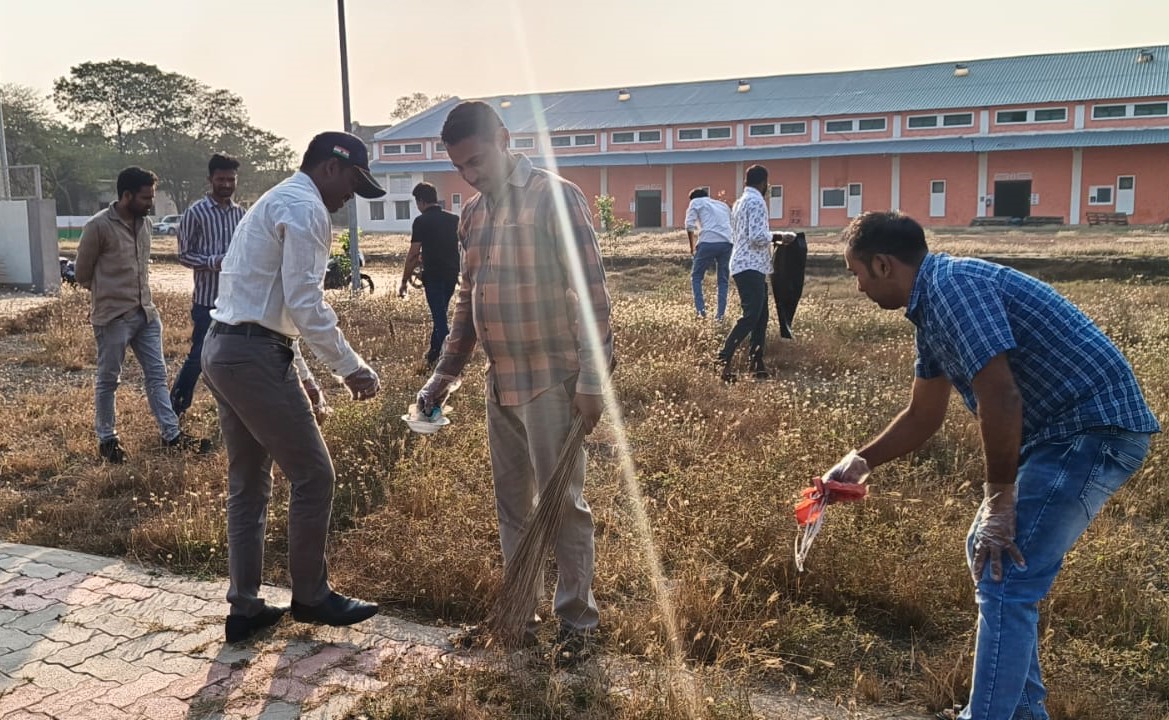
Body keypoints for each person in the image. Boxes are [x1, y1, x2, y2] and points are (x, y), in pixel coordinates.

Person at [825, 211, 1159, 720]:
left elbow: (1001, 398)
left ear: (882, 264)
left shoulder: (954, 288)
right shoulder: (931, 305)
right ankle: (1022, 712)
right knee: (989, 556)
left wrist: (1000, 500)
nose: (858, 288)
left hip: (1093, 429)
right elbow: (923, 414)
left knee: (1005, 574)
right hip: (1067, 434)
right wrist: (860, 461)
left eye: (857, 274)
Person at [413, 101, 613, 658]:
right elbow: (466, 299)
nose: (471, 175)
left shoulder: (557, 197)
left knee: (564, 506)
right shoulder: (472, 214)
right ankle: (517, 620)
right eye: (460, 168)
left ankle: (577, 625)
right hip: (499, 380)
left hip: (553, 378)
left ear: (504, 138)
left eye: (477, 161)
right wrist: (444, 375)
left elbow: (593, 296)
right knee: (513, 508)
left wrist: (593, 380)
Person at [201, 131, 386, 642]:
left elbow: (269, 302)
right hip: (254, 357)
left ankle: (245, 608)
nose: (352, 195)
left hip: (225, 349)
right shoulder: (307, 210)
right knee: (314, 477)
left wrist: (303, 375)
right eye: (353, 181)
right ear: (330, 167)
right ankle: (311, 596)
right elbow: (304, 303)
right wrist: (349, 367)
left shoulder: (275, 199)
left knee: (249, 484)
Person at [74, 166, 210, 464]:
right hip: (113, 317)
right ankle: (107, 440)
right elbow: (82, 273)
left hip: (146, 314)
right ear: (126, 196)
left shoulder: (144, 224)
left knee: (157, 376)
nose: (151, 203)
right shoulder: (98, 227)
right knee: (109, 379)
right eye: (146, 197)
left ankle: (171, 435)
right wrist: (109, 296)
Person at [170, 152, 246, 414]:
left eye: (231, 179)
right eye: (221, 179)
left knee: (237, 359)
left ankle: (235, 411)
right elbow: (183, 255)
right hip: (207, 300)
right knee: (199, 358)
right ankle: (175, 410)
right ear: (210, 180)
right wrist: (215, 261)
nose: (226, 184)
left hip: (237, 302)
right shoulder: (196, 212)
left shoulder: (242, 214)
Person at [716, 165, 772, 381]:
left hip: (743, 263)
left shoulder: (739, 202)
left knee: (760, 317)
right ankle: (722, 357)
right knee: (751, 317)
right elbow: (757, 236)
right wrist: (778, 237)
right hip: (751, 264)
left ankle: (757, 364)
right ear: (764, 182)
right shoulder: (757, 201)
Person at [398, 181, 461, 369]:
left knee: (439, 317)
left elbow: (413, 254)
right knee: (440, 313)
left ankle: (450, 359)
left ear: (421, 201)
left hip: (433, 276)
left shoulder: (421, 221)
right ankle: (433, 356)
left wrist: (404, 281)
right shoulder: (453, 219)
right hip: (451, 274)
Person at [683, 187, 732, 320]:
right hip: (727, 242)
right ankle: (720, 316)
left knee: (696, 277)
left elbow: (689, 225)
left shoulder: (696, 202)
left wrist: (692, 247)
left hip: (708, 241)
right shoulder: (722, 205)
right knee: (723, 280)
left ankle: (701, 312)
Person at [770, 230, 806, 340]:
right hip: (785, 242)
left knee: (790, 294)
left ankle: (786, 329)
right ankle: (785, 330)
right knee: (786, 294)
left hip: (790, 242)